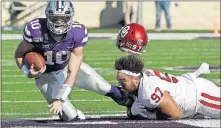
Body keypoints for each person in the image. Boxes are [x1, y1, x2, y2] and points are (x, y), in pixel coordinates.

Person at [14, 0, 126, 122]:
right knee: (70, 117)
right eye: (55, 18)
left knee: (107, 89)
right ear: (47, 16)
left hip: (66, 67)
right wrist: (27, 71)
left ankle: (136, 102)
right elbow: (19, 54)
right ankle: (74, 113)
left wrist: (60, 99)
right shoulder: (36, 30)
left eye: (64, 18)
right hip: (46, 76)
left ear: (70, 17)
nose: (59, 22)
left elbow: (72, 73)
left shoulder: (77, 32)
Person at [114, 55, 220, 120]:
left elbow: (176, 114)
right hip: (194, 88)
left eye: (122, 81)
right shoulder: (143, 76)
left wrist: (149, 115)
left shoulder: (148, 92)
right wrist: (131, 112)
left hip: (201, 96)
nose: (120, 85)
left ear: (136, 79)